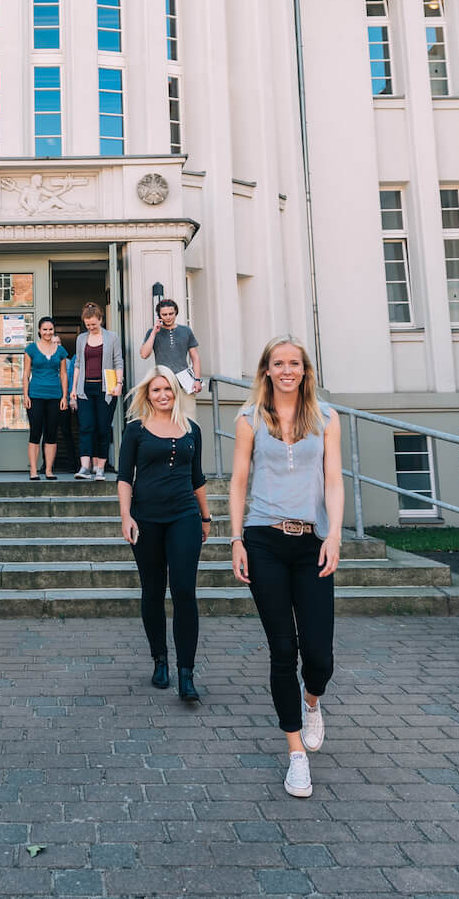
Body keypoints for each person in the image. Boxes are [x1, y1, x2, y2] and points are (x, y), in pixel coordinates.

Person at [228, 335, 344, 799]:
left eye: (295, 363)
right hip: (264, 539)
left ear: (304, 369)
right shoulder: (248, 418)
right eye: (279, 363)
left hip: (312, 540)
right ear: (267, 369)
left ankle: (312, 701)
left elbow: (333, 479)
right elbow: (239, 481)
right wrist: (235, 538)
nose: (287, 370)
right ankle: (296, 753)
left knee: (319, 655)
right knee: (283, 649)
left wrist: (334, 532)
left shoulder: (327, 418)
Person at [115, 366, 211, 703]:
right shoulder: (135, 431)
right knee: (153, 591)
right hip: (146, 519)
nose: (163, 395)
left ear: (176, 392)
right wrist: (126, 516)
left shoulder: (191, 430)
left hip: (184, 515)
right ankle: (160, 660)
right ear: (147, 394)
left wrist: (206, 515)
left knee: (184, 590)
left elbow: (197, 477)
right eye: (156, 390)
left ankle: (187, 672)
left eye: (167, 390)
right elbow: (125, 476)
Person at [69, 302, 122, 479]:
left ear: (100, 319)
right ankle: (84, 468)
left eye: (93, 323)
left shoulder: (112, 337)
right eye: (87, 324)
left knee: (103, 428)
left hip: (105, 389)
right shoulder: (81, 339)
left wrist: (119, 383)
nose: (91, 327)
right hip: (85, 388)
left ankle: (99, 468)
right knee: (86, 427)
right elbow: (77, 364)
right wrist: (73, 389)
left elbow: (118, 362)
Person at [22, 316, 72, 481]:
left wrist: (64, 396)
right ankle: (34, 471)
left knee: (51, 434)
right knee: (35, 433)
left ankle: (49, 470)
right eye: (44, 329)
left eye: (50, 329)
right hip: (35, 396)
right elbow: (25, 374)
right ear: (39, 330)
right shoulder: (31, 349)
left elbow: (64, 375)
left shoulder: (60, 351)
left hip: (55, 396)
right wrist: (25, 395)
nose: (48, 332)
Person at [139, 297, 202, 394]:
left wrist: (197, 380)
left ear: (176, 312)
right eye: (164, 314)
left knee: (187, 409)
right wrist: (154, 333)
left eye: (171, 314)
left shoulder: (186, 331)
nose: (168, 317)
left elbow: (195, 357)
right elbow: (144, 355)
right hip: (163, 383)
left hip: (184, 383)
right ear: (159, 315)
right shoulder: (152, 332)